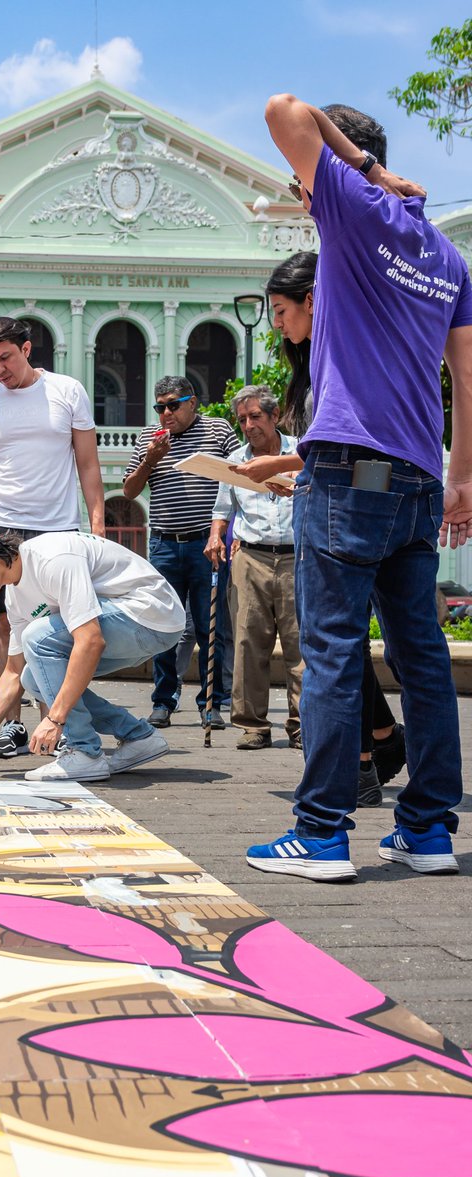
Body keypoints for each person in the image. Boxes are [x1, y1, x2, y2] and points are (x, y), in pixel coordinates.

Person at [245, 94, 472, 882]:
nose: (300, 193)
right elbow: (467, 376)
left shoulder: (351, 206)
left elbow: (284, 108)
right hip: (416, 473)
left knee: (335, 652)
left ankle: (321, 834)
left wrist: (364, 169)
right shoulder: (447, 257)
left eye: (303, 182)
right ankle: (429, 831)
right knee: (424, 660)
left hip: (349, 473)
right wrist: (462, 475)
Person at [241, 251, 407, 795]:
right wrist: (301, 479)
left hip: (357, 510)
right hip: (333, 501)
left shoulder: (342, 352)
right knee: (342, 641)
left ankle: (358, 765)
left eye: (282, 309)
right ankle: (379, 737)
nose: (276, 323)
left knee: (334, 642)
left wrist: (285, 464)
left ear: (313, 301)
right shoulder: (312, 359)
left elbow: (354, 445)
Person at [0, 316, 105, 759]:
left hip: (56, 528)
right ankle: (13, 726)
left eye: (5, 358)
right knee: (9, 626)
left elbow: (88, 465)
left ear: (26, 348)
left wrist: (96, 525)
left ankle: (51, 723)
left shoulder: (67, 391)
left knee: (53, 631)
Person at [0, 523, 184, 782]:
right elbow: (13, 672)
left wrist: (55, 720)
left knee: (37, 637)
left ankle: (85, 752)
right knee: (32, 677)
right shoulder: (15, 597)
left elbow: (91, 640)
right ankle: (138, 737)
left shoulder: (52, 558)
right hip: (130, 628)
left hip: (152, 615)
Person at [123, 375, 237, 730]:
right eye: (160, 407)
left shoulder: (218, 431)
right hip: (165, 544)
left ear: (193, 403)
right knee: (164, 625)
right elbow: (128, 491)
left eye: (173, 405)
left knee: (210, 625)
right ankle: (163, 700)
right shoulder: (149, 439)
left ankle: (212, 703)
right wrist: (150, 460)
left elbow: (239, 477)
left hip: (208, 544)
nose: (166, 413)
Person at [207, 385, 303, 750]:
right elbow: (222, 510)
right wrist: (216, 536)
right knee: (248, 642)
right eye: (243, 419)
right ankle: (253, 725)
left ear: (275, 416)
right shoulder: (235, 459)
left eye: (255, 417)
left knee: (300, 645)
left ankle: (301, 724)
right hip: (250, 557)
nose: (248, 425)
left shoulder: (300, 453)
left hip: (297, 556)